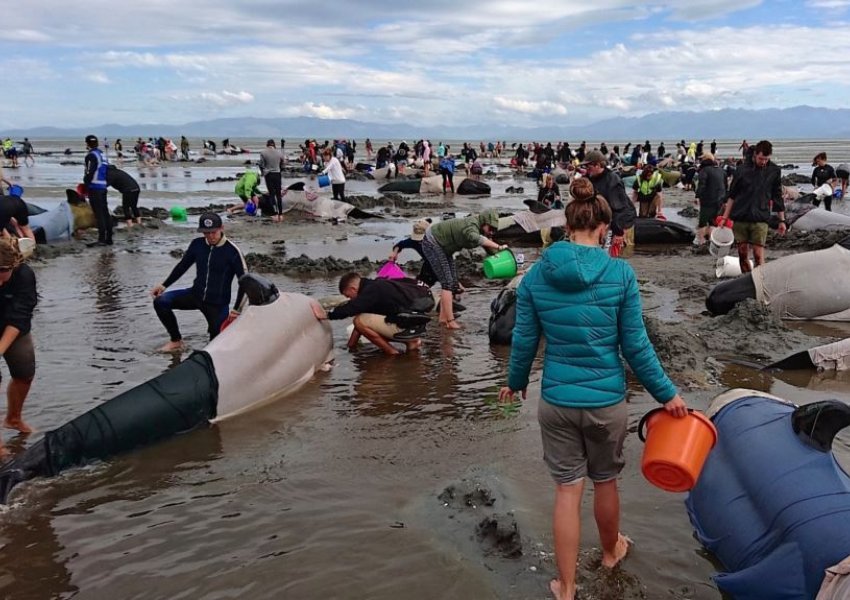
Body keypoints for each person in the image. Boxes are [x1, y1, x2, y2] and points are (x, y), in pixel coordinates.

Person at [498, 177, 688, 600]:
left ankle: (565, 587)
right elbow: (636, 346)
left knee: (567, 491)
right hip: (606, 403)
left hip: (557, 401)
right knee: (605, 482)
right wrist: (667, 395)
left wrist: (514, 383)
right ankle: (610, 552)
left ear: (567, 227)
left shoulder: (535, 277)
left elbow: (524, 339)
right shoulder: (619, 273)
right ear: (603, 228)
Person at [151, 213, 246, 352]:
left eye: (214, 232)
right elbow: (182, 266)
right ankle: (176, 341)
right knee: (160, 301)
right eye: (206, 233)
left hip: (217, 304)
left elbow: (244, 282)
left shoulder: (233, 251)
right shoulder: (197, 244)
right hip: (195, 295)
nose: (210, 236)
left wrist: (237, 309)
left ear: (222, 228)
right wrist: (164, 285)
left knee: (215, 348)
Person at [421, 210, 505, 329]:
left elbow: (491, 251)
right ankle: (450, 321)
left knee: (453, 284)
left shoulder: (480, 230)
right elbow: (474, 237)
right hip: (432, 242)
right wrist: (498, 246)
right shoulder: (471, 225)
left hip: (444, 247)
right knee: (447, 284)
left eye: (494, 230)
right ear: (484, 222)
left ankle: (443, 319)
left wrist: (507, 263)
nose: (491, 231)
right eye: (490, 228)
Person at [317, 272, 434, 356]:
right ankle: (412, 343)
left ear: (353, 289)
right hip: (416, 325)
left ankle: (392, 352)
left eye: (348, 296)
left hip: (406, 326)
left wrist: (328, 315)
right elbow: (359, 316)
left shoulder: (371, 290)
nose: (350, 299)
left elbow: (352, 310)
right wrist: (350, 347)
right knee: (361, 319)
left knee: (359, 321)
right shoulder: (378, 285)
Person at [719, 140, 786, 273]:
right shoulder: (742, 170)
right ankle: (747, 280)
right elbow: (732, 195)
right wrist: (724, 217)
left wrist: (782, 221)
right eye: (761, 158)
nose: (763, 162)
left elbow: (777, 196)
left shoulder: (774, 171)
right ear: (755, 154)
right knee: (743, 254)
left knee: (757, 254)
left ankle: (760, 282)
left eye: (766, 159)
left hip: (761, 217)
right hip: (740, 216)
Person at [0, 238, 38, 443]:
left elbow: (20, 315)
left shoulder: (24, 275)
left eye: (2, 271)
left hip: (13, 325)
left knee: (25, 372)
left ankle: (13, 418)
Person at [582, 150, 636, 257]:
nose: (587, 170)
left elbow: (618, 208)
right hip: (598, 221)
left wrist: (619, 232)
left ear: (598, 165)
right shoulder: (589, 179)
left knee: (608, 255)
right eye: (585, 167)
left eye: (589, 167)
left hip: (615, 222)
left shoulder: (613, 180)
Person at [82, 134, 112, 247]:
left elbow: (90, 172)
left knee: (99, 214)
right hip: (103, 186)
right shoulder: (102, 155)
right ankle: (109, 238)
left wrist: (86, 184)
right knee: (105, 213)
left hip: (94, 187)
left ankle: (101, 239)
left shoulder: (91, 156)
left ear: (87, 144)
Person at [389, 219, 436, 286]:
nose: (419, 242)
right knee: (418, 286)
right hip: (427, 266)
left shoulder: (436, 239)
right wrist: (394, 253)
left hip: (441, 265)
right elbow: (399, 245)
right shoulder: (414, 241)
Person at [694, 152, 727, 245]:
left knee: (703, 222)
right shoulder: (721, 170)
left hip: (707, 200)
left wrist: (697, 196)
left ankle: (700, 242)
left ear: (704, 160)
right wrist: (724, 200)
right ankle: (711, 241)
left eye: (701, 159)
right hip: (719, 200)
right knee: (713, 222)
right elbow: (725, 186)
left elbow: (702, 185)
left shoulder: (704, 170)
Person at [260, 139, 285, 222]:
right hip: (277, 174)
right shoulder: (279, 153)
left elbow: (261, 165)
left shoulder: (263, 152)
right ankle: (280, 214)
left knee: (271, 194)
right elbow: (283, 163)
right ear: (274, 145)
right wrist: (279, 169)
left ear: (267, 145)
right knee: (278, 194)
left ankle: (275, 213)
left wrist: (263, 173)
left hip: (269, 174)